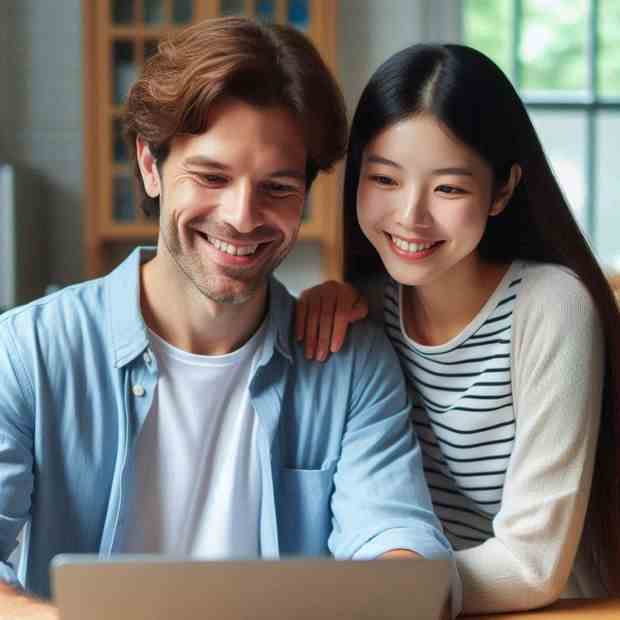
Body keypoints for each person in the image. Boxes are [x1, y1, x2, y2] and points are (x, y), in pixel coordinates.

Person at [0, 19, 459, 620]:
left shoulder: (352, 365)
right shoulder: (28, 351)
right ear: (150, 165)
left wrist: (401, 581)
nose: (243, 217)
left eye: (277, 187)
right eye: (211, 177)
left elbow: (398, 541)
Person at [296, 43, 620, 614]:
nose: (411, 216)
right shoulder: (363, 309)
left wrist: (374, 591)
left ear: (502, 190)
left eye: (448, 187)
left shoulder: (550, 306)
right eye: (385, 179)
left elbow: (532, 566)